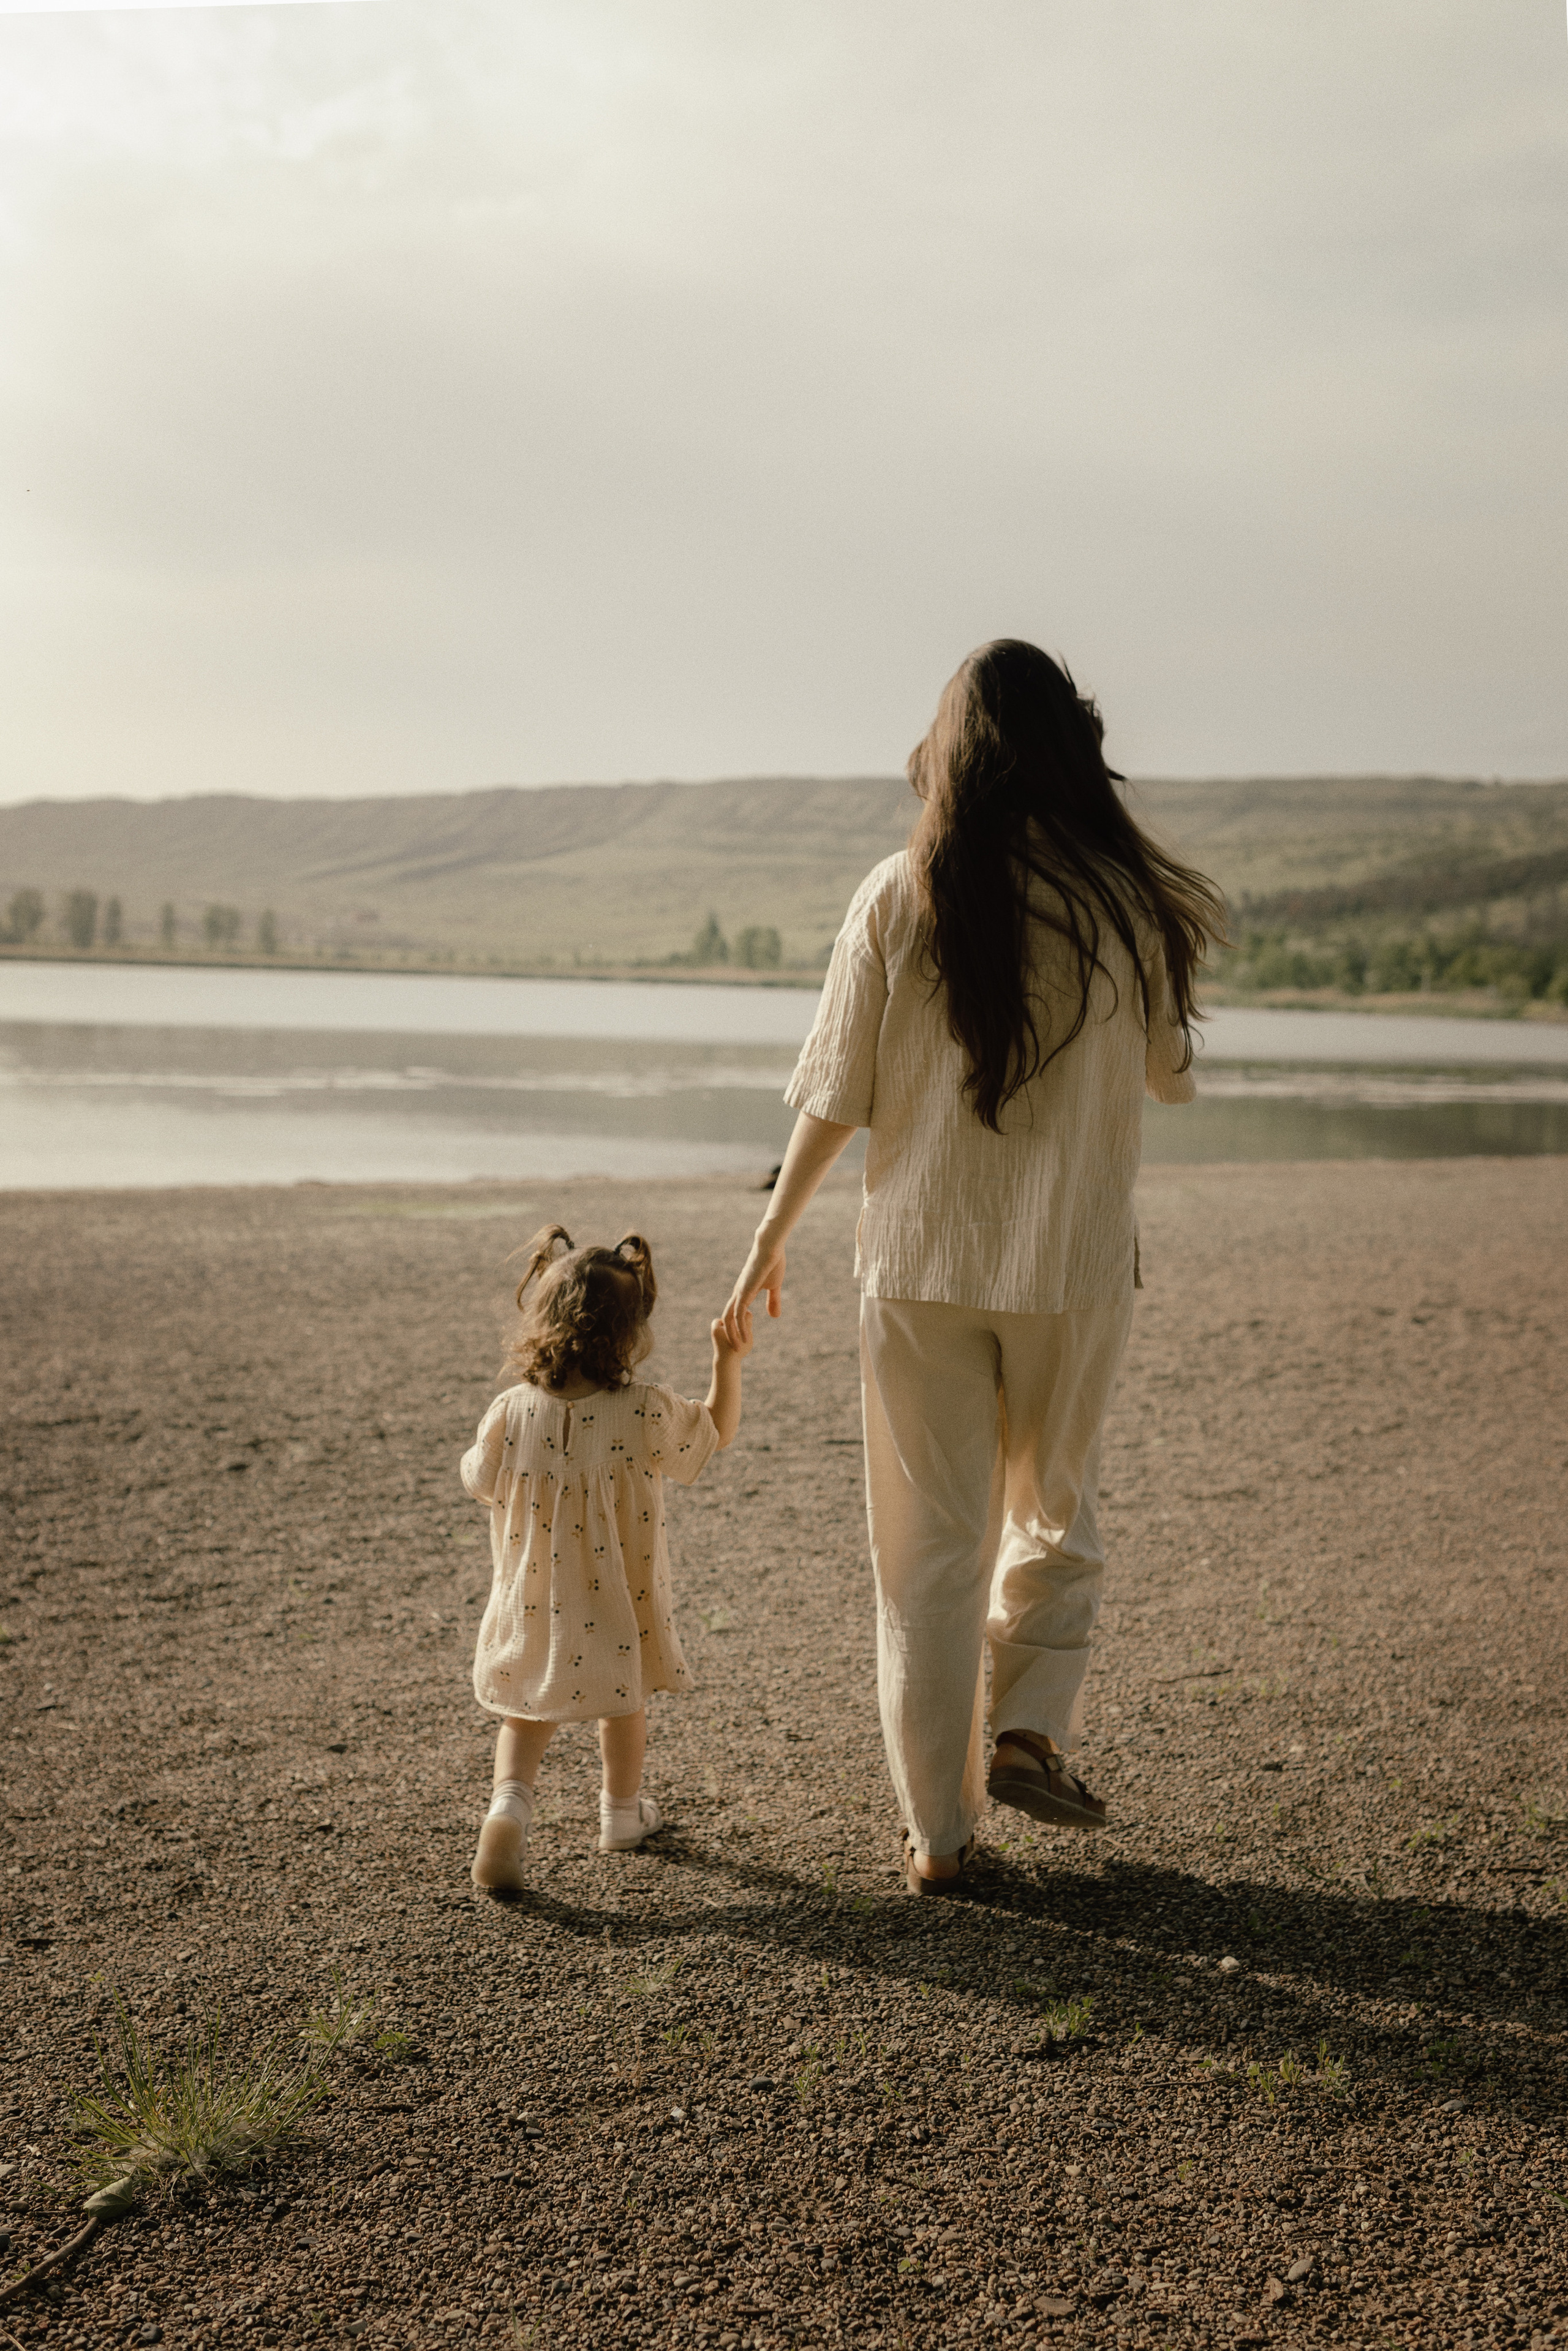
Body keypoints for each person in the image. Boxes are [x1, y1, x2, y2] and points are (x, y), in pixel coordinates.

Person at [722, 640, 1224, 1895]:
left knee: (925, 1553)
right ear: (1072, 752)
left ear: (947, 755)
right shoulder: (1122, 904)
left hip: (915, 1262)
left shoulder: (897, 895)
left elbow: (834, 1097)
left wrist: (766, 1239)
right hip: (1069, 1264)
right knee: (1052, 1500)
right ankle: (1025, 1728)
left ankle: (941, 1840)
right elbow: (1169, 1073)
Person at [462, 1224, 752, 1894]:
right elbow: (714, 1433)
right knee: (623, 1697)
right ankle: (620, 1814)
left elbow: (477, 1479)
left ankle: (509, 1804)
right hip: (619, 1594)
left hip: (533, 1593)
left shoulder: (510, 1411)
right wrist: (726, 1363)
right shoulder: (642, 1410)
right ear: (629, 1334)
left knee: (526, 1710)